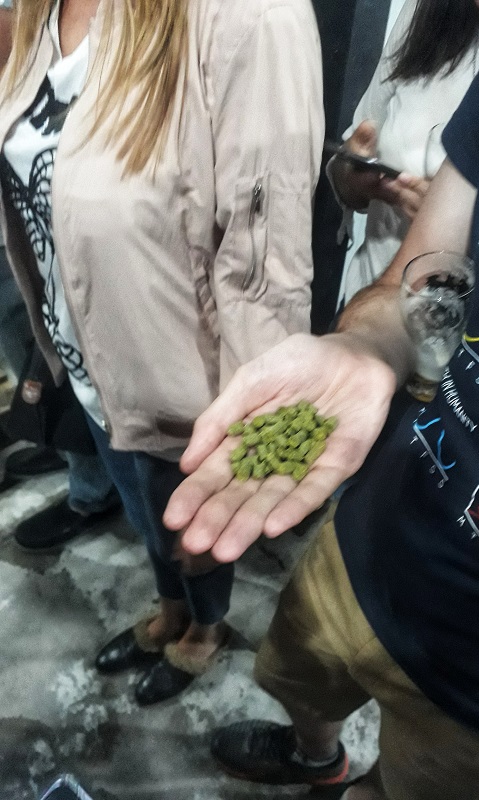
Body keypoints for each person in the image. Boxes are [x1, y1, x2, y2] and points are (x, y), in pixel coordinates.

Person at [164, 0, 479, 797]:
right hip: (380, 532)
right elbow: (423, 278)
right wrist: (367, 347)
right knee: (299, 678)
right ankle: (316, 757)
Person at [0, 0, 323, 705]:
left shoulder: (249, 17)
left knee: (193, 533)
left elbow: (265, 267)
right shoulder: (40, 13)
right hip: (91, 364)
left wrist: (248, 451)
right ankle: (172, 609)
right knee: (144, 512)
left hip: (188, 390)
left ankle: (205, 628)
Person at [0, 0, 119, 544]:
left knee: (55, 351)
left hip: (53, 218)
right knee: (36, 352)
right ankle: (64, 445)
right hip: (29, 212)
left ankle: (90, 489)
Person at [332, 0, 479, 308]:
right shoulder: (425, 10)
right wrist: (355, 179)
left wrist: (449, 221)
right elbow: (348, 164)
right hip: (365, 300)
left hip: (451, 325)